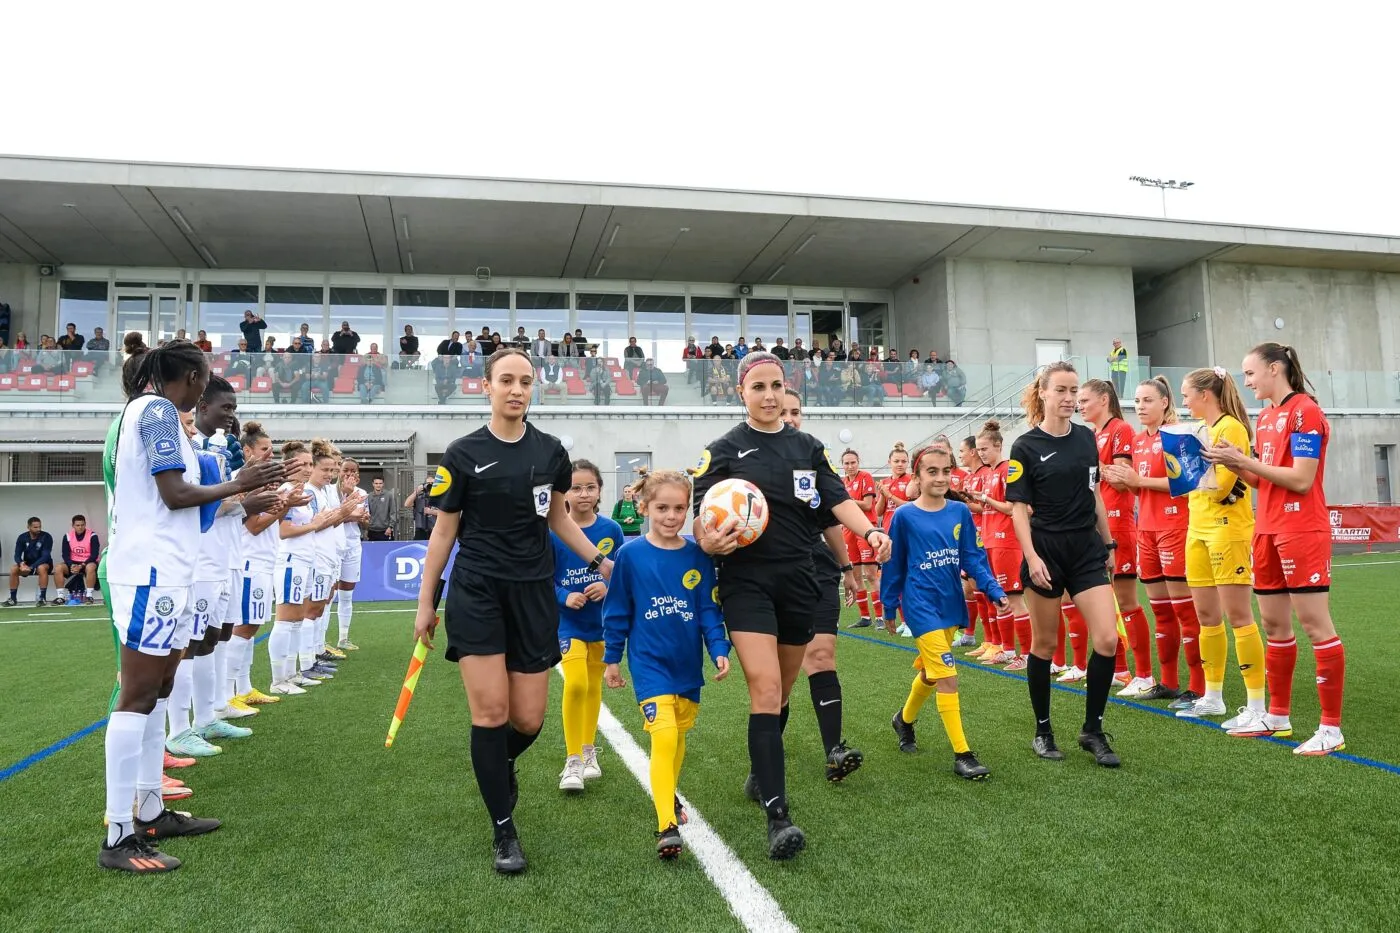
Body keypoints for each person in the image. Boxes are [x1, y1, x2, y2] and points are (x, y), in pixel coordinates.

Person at [413, 347, 618, 874]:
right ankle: (504, 830)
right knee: (490, 714)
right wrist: (425, 601)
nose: (516, 389)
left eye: (525, 381)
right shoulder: (461, 454)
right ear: (485, 386)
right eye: (506, 380)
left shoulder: (551, 453)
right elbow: (444, 531)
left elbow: (557, 520)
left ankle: (498, 761)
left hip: (532, 592)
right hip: (477, 591)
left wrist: (600, 560)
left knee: (528, 719)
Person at [691, 351, 890, 860]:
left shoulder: (808, 447)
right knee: (766, 687)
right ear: (741, 393)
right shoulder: (723, 452)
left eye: (776, 385)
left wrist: (868, 529)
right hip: (746, 583)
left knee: (781, 695)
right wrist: (708, 541)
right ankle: (778, 818)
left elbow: (835, 499)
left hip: (801, 580)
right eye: (758, 386)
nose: (769, 394)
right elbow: (701, 516)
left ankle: (762, 771)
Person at [100, 339, 283, 872]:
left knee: (157, 689)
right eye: (206, 376)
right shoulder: (155, 411)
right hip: (150, 573)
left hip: (168, 571)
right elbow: (174, 495)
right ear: (193, 377)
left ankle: (151, 809)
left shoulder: (151, 414)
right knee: (136, 693)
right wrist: (239, 481)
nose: (211, 386)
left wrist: (242, 496)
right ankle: (117, 833)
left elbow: (183, 504)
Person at [1203, 344, 1345, 755]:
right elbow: (1267, 482)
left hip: (1301, 528)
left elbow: (1301, 480)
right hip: (1266, 529)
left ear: (1273, 368)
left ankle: (1331, 729)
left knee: (1316, 625)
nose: (1246, 382)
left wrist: (1243, 461)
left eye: (1250, 374)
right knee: (1274, 626)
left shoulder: (1306, 411)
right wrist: (1237, 465)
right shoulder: (1265, 418)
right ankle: (1276, 717)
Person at [604, 469, 729, 859]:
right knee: (664, 735)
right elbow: (618, 610)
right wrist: (612, 659)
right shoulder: (629, 555)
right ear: (644, 507)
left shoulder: (698, 556)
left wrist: (719, 648)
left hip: (686, 665)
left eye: (678, 508)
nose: (671, 515)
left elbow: (708, 608)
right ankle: (665, 825)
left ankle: (669, 796)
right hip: (649, 664)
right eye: (662, 507)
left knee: (679, 737)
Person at [1006, 361, 1123, 768]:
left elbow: (1094, 496)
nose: (1070, 399)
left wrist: (1107, 541)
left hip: (1086, 548)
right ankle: (1043, 730)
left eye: (1075, 391)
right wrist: (1032, 557)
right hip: (1045, 550)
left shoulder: (1088, 438)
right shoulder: (1024, 446)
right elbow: (1019, 509)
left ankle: (1092, 729)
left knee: (1107, 639)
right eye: (1062, 390)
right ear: (1043, 393)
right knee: (1045, 644)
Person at [885, 443, 1006, 780]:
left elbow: (973, 557)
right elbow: (894, 564)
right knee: (948, 677)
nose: (940, 478)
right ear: (917, 476)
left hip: (950, 603)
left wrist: (993, 589)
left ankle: (903, 719)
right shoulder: (905, 516)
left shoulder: (960, 512)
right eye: (932, 472)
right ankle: (962, 754)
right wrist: (890, 604)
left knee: (932, 672)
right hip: (920, 605)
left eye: (945, 471)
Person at [768, 388, 863, 791]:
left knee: (822, 656)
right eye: (783, 411)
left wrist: (847, 568)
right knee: (779, 679)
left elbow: (831, 520)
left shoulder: (812, 460)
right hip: (771, 574)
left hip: (817, 569)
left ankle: (834, 751)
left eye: (796, 412)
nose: (789, 418)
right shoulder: (748, 458)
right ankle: (766, 752)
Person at [1102, 376, 1193, 703]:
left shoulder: (1178, 436)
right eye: (1137, 401)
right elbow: (1137, 486)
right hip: (1147, 530)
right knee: (1161, 611)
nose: (1140, 407)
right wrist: (1118, 478)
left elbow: (1184, 484)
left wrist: (1137, 480)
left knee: (1184, 612)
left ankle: (1197, 685)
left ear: (1165, 402)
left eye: (1147, 400)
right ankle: (1167, 681)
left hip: (1175, 527)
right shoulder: (1138, 441)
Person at [553, 460, 624, 792]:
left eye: (590, 487)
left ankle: (588, 750)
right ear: (564, 493)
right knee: (576, 684)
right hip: (569, 624)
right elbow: (543, 579)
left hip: (602, 625)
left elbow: (624, 577)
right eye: (576, 487)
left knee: (594, 686)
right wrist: (565, 596)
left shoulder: (612, 530)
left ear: (599, 491)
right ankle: (571, 761)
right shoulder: (554, 530)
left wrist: (608, 588)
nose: (583, 494)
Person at [1080, 379, 1151, 695]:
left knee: (1126, 600)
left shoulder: (1120, 429)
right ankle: (1120, 669)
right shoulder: (1094, 434)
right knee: (1106, 602)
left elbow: (1123, 480)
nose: (1080, 405)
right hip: (1097, 525)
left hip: (1118, 523)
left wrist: (1091, 466)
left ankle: (1144, 674)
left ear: (1104, 399)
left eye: (1084, 400)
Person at [232, 420, 295, 709]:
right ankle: (231, 692)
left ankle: (243, 687)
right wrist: (282, 506)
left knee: (252, 626)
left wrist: (284, 503)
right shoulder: (240, 482)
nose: (270, 454)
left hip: (263, 560)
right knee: (243, 627)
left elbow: (269, 524)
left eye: (272, 449)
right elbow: (254, 526)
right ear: (247, 451)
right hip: (248, 561)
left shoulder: (262, 482)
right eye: (264, 449)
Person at [974, 420, 1032, 670]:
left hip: (1006, 541)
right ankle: (1007, 649)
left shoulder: (1009, 469)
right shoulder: (989, 473)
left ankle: (1028, 654)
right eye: (978, 449)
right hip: (989, 540)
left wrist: (986, 499)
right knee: (999, 598)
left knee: (1014, 598)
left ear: (998, 445)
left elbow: (1017, 508)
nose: (980, 453)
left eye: (984, 448)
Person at [267, 440, 321, 695]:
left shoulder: (303, 493)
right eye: (303, 464)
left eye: (310, 464)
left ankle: (292, 673)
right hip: (291, 560)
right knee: (286, 619)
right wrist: (314, 525)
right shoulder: (287, 491)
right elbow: (284, 530)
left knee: (298, 619)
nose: (308, 469)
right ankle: (278, 680)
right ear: (289, 466)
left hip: (305, 560)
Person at [839, 449, 881, 628]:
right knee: (856, 575)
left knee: (871, 574)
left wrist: (845, 500)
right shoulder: (841, 482)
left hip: (865, 528)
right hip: (847, 530)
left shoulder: (866, 477)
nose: (850, 466)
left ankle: (880, 617)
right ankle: (865, 617)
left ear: (858, 462)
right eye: (846, 463)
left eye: (853, 462)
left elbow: (867, 504)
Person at [334, 459, 368, 652]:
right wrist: (354, 515)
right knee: (328, 595)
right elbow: (335, 516)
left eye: (353, 471)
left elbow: (364, 520)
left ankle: (343, 638)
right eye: (345, 470)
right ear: (339, 472)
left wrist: (358, 517)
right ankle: (319, 643)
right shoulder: (330, 491)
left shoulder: (362, 493)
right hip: (333, 545)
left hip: (353, 545)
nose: (349, 474)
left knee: (347, 593)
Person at [7, 517, 54, 607]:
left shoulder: (46, 536)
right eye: (35, 527)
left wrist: (32, 567)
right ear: (28, 527)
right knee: (13, 568)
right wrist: (21, 564)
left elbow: (45, 556)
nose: (38, 529)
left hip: (44, 563)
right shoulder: (22, 537)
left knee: (41, 568)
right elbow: (17, 555)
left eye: (39, 527)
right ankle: (13, 599)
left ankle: (42, 598)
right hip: (27, 564)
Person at [55, 515, 100, 605]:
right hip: (73, 563)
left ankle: (89, 596)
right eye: (78, 525)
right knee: (58, 568)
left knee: (91, 567)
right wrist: (71, 565)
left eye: (82, 525)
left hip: (87, 562)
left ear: (85, 524)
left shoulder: (92, 535)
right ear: (73, 525)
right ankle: (60, 597)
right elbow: (65, 554)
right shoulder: (67, 536)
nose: (80, 527)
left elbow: (94, 555)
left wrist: (81, 565)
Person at [407, 473, 438, 540]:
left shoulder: (440, 497)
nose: (430, 485)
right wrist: (416, 492)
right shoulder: (419, 497)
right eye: (428, 483)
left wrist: (431, 511)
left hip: (435, 530)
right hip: (421, 530)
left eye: (432, 483)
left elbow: (444, 513)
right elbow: (407, 504)